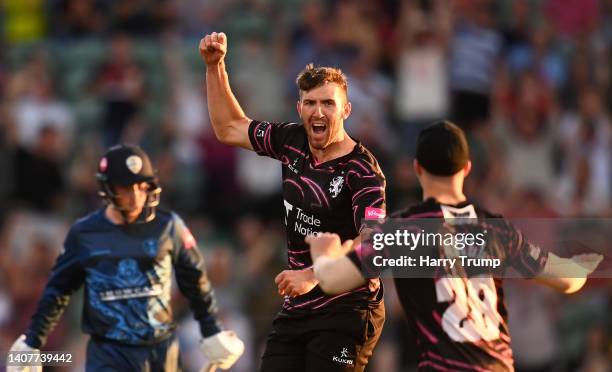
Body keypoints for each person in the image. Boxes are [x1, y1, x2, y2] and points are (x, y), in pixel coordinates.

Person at [306, 121, 603, 371]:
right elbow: (568, 280)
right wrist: (582, 266)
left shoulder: (402, 232)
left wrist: (323, 253)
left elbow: (332, 280)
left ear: (418, 168)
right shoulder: (496, 230)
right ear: (467, 168)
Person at [199, 32, 386, 371]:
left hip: (349, 310)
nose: (319, 111)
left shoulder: (362, 170)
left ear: (346, 109)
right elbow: (228, 127)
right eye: (311, 103)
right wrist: (215, 66)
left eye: (328, 103)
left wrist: (316, 274)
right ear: (300, 108)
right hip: (299, 308)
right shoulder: (292, 141)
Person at [8, 144, 244, 372]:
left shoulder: (170, 226)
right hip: (109, 353)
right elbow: (58, 291)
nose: (135, 196)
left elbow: (195, 280)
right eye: (126, 188)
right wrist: (33, 341)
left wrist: (212, 330)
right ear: (108, 188)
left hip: (160, 351)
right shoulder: (85, 234)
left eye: (141, 187)